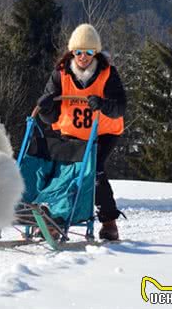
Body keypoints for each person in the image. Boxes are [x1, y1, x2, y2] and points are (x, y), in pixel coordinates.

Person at [36, 23, 126, 241]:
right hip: (72, 132)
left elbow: (120, 107)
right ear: (71, 52)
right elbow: (50, 116)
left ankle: (109, 222)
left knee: (93, 171)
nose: (83, 57)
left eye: (88, 52)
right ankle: (55, 217)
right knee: (63, 172)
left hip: (103, 133)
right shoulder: (61, 74)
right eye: (78, 52)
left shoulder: (107, 73)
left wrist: (103, 104)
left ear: (95, 53)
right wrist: (46, 107)